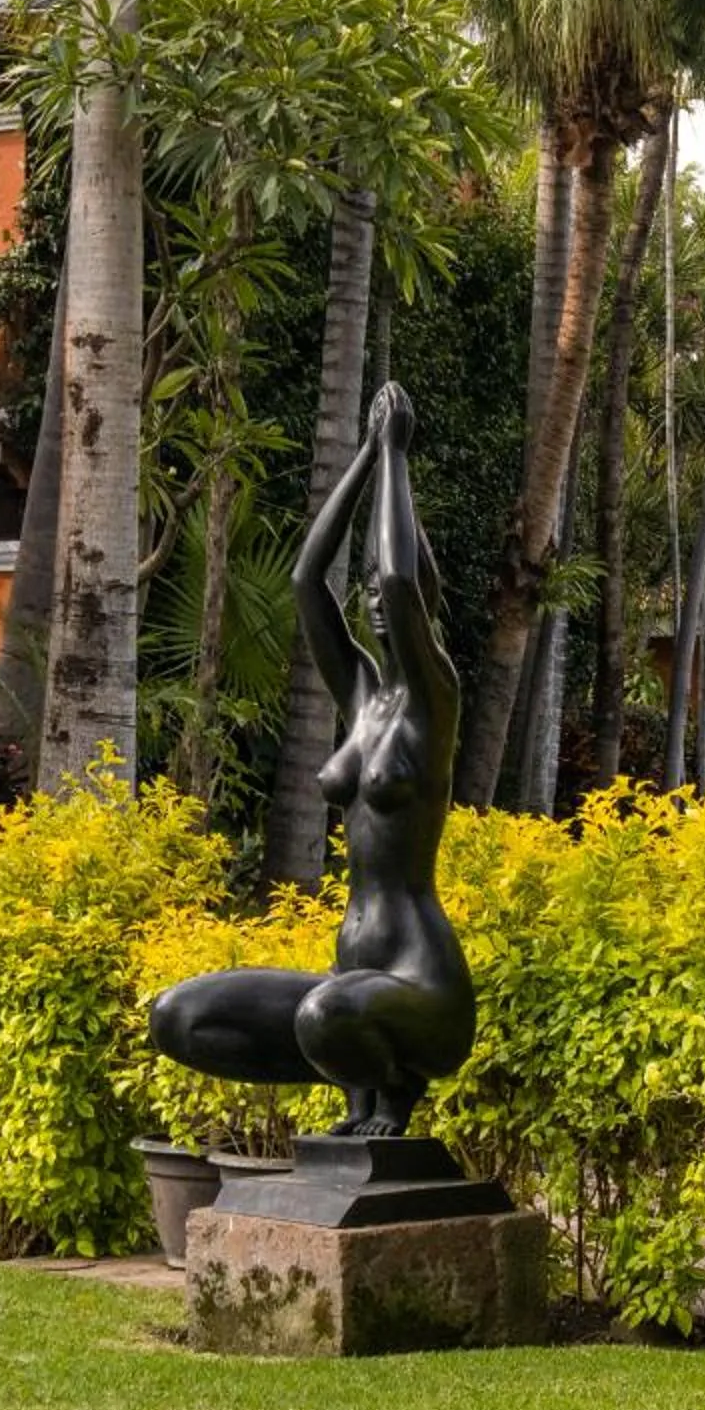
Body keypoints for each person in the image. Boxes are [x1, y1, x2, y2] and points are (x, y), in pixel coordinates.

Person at [147, 383, 473, 1138]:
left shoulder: (435, 698)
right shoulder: (360, 693)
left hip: (421, 984)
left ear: (423, 602)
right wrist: (362, 455)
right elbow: (305, 581)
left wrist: (395, 453)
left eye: (394, 593)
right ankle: (359, 1091)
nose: (377, 600)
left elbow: (396, 576)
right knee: (181, 1016)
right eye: (366, 592)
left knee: (326, 1012)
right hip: (349, 977)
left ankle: (393, 1095)